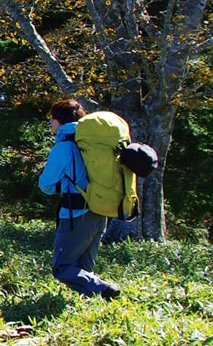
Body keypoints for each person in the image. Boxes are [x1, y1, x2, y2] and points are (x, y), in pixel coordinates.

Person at [38, 99, 120, 300]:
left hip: (75, 214)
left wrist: (60, 186)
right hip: (101, 208)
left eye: (52, 118)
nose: (50, 122)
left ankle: (105, 289)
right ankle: (91, 303)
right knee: (84, 267)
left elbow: (46, 184)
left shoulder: (64, 147)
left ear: (60, 121)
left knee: (62, 267)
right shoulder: (94, 144)